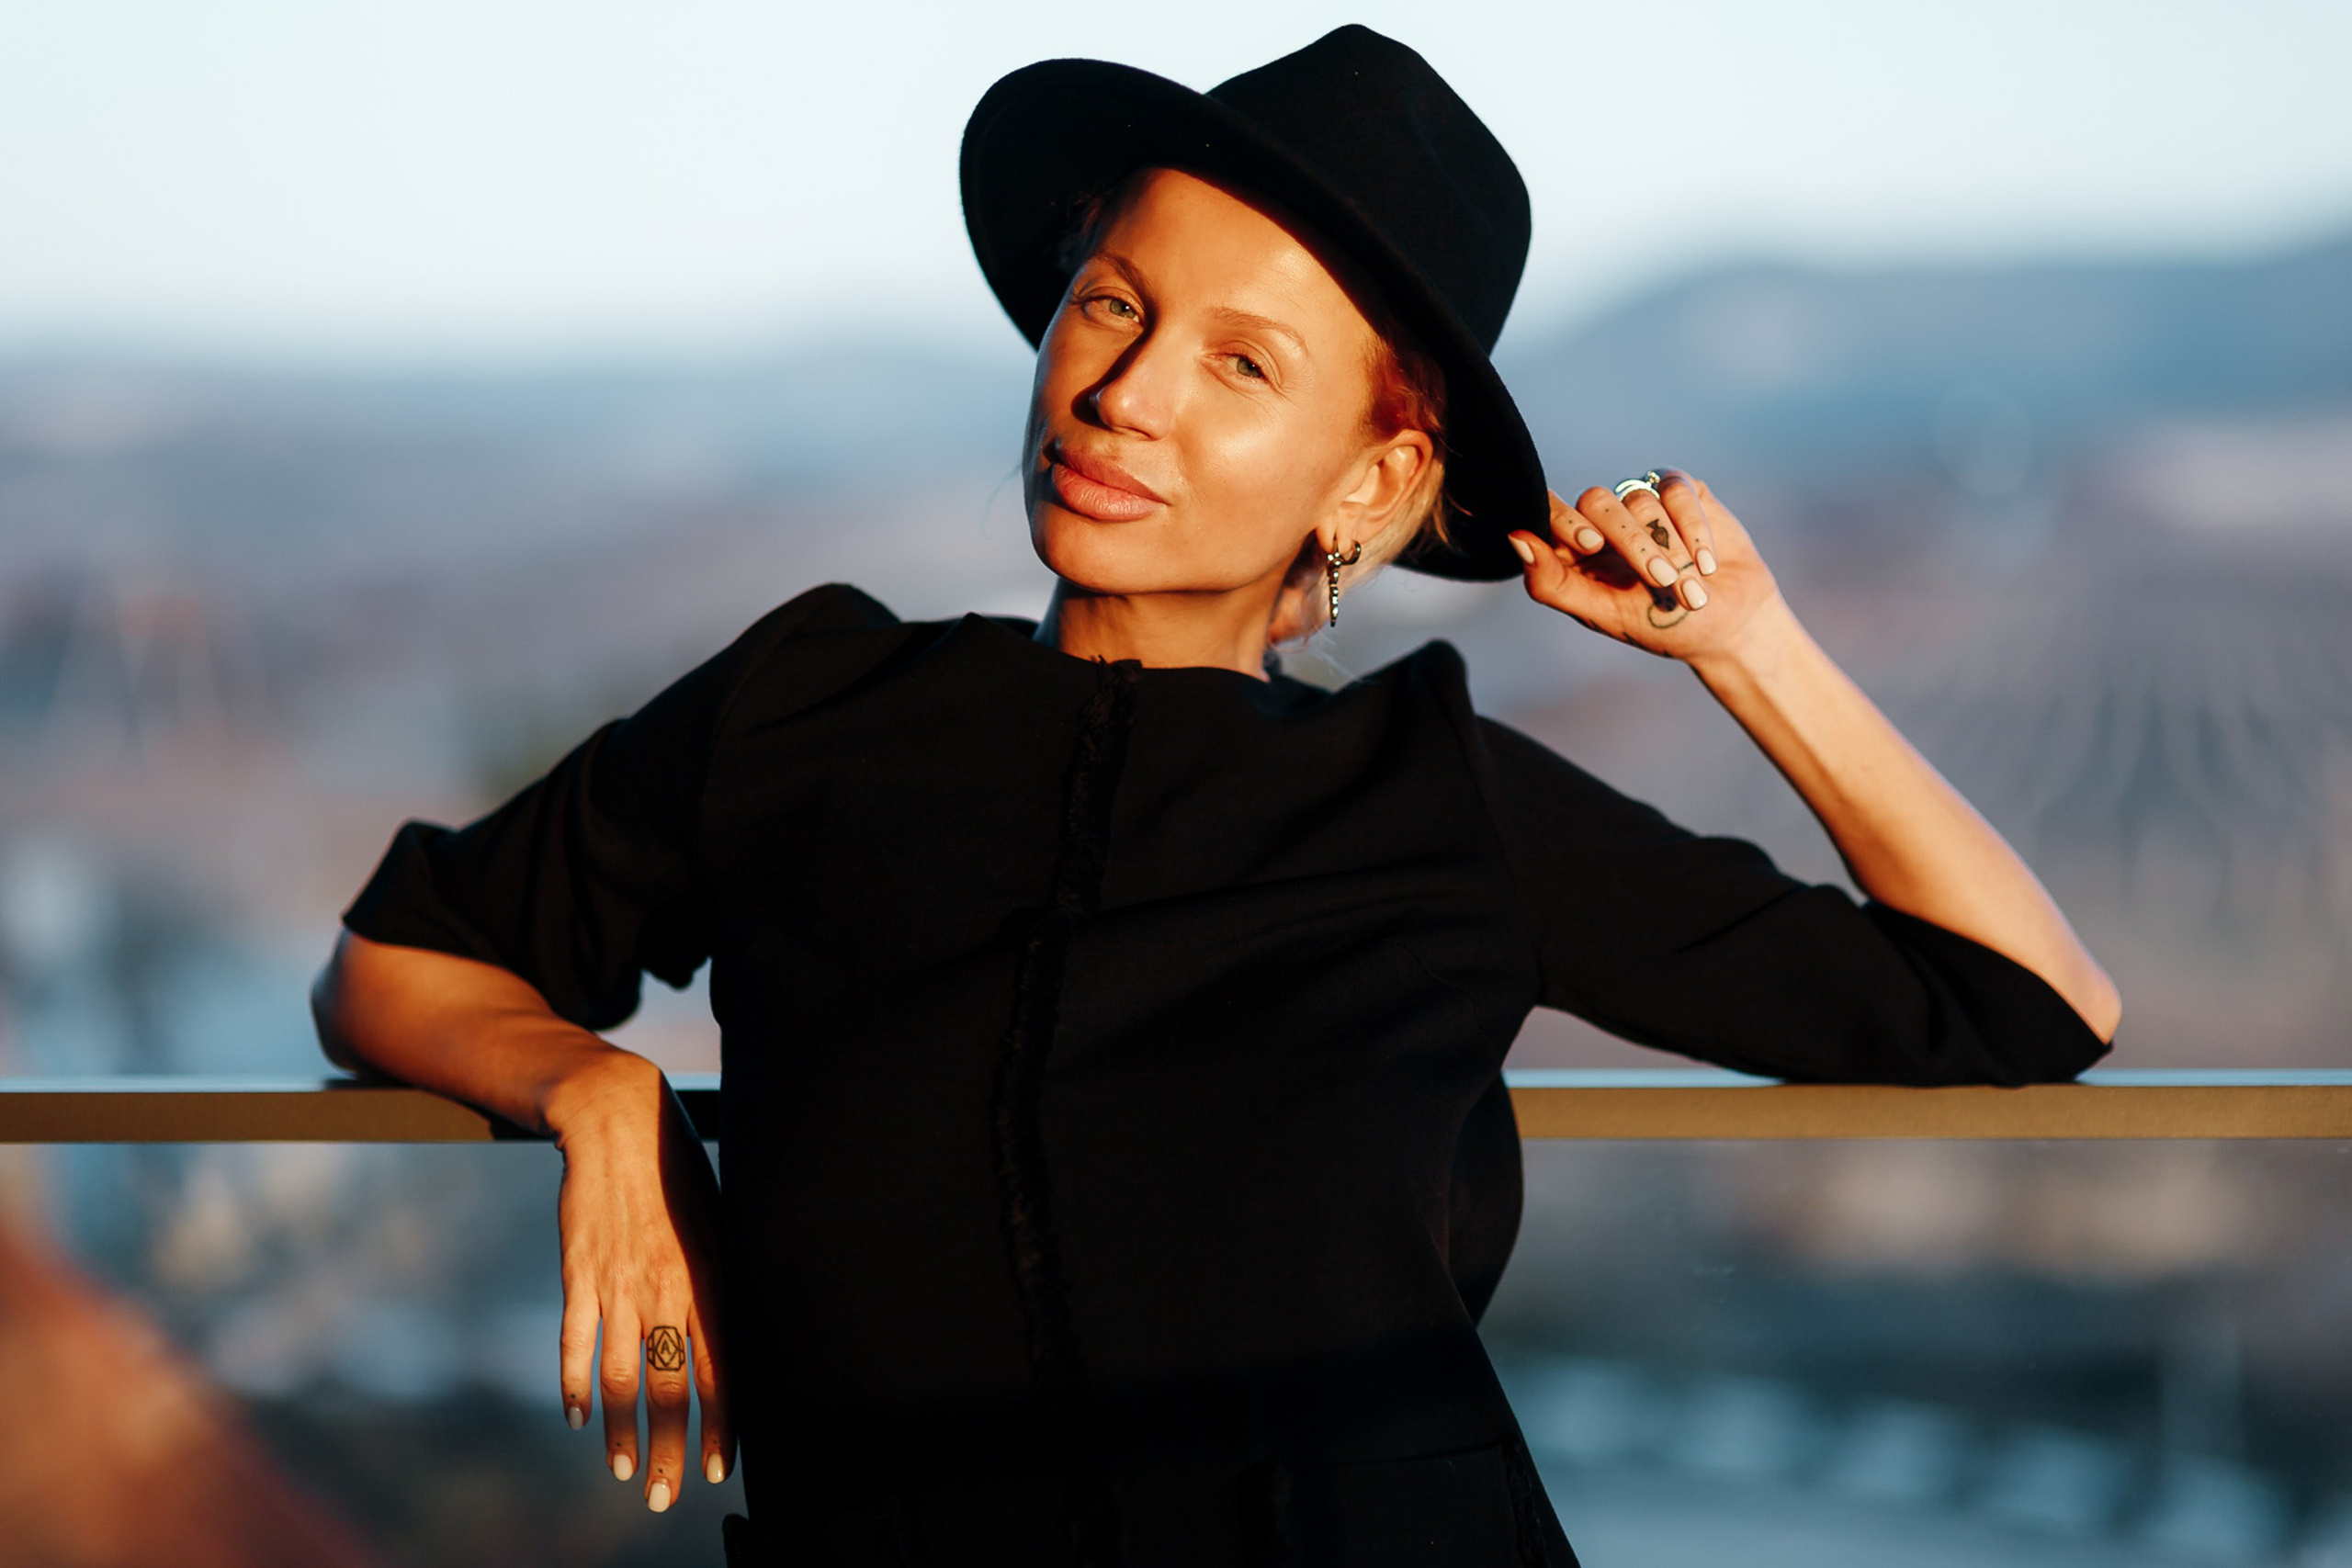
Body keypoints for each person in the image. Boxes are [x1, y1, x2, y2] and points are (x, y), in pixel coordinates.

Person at [311, 26, 2120, 1566]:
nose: (1119, 393)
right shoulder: (811, 702)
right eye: (1110, 300)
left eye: (1241, 363)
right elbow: (396, 958)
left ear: (1374, 479)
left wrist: (1746, 646)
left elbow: (2024, 1002)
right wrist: (600, 1097)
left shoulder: (1431, 792)